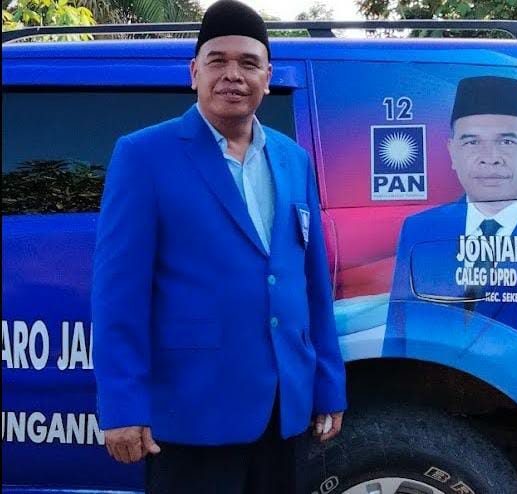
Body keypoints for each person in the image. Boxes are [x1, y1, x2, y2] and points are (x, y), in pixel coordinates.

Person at [91, 1, 346, 492]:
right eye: (218, 61)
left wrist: (328, 385)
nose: (233, 75)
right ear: (194, 73)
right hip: (192, 410)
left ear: (267, 77)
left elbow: (314, 285)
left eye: (249, 63)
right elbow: (117, 295)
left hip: (283, 410)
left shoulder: (293, 159)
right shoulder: (143, 156)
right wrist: (122, 405)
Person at [389, 76, 517, 359]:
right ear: (452, 152)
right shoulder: (421, 230)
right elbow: (397, 343)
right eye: (472, 142)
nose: (490, 157)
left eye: (506, 141)